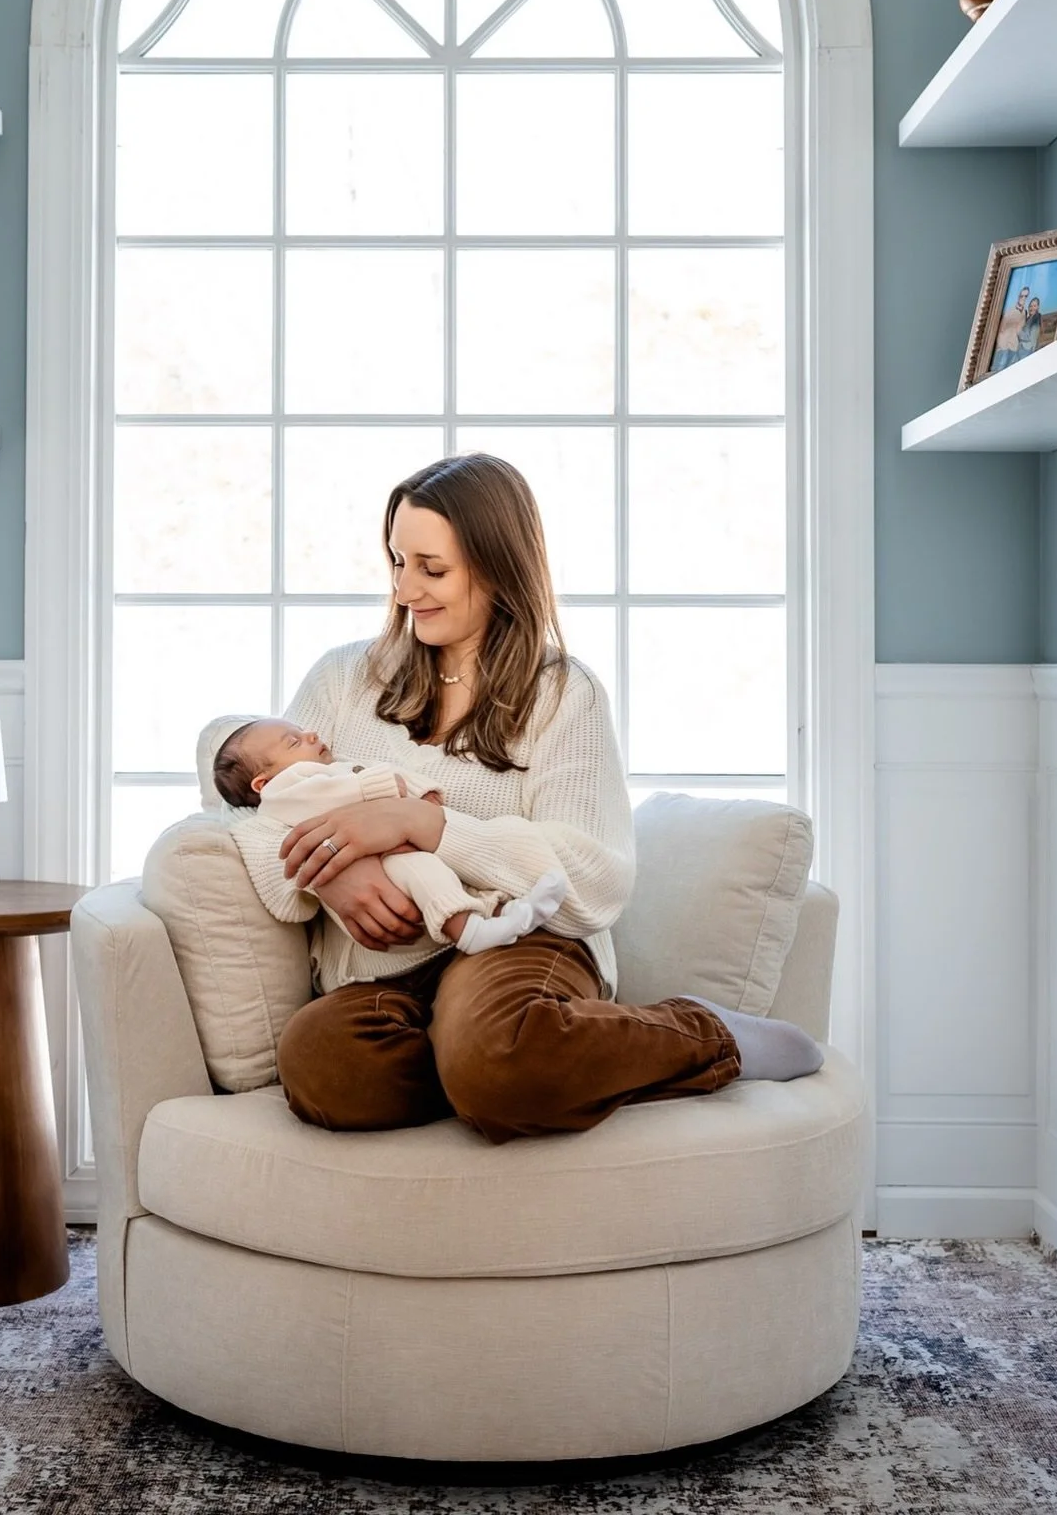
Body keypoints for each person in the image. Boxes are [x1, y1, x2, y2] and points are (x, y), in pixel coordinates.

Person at [251, 453, 821, 1145]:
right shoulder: (344, 678)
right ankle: (500, 1065)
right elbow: (254, 807)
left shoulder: (562, 694)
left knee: (495, 1056)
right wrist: (334, 869)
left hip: (518, 940)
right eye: (397, 562)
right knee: (323, 1066)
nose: (405, 591)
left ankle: (706, 1034)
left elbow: (592, 880)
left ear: (496, 566)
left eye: (432, 569)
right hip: (389, 968)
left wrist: (426, 825)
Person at [205, 713, 569, 982]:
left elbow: (377, 790)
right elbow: (353, 788)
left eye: (301, 732)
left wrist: (417, 804)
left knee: (435, 871)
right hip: (381, 879)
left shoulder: (326, 770)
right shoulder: (287, 790)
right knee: (423, 872)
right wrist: (388, 794)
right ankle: (473, 930)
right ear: (262, 783)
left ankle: (497, 914)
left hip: (391, 856)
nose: (312, 733)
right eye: (294, 741)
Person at [992, 287, 1028, 371]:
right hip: (1005, 347)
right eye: (1021, 296)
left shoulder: (1024, 313)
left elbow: (1020, 330)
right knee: (999, 370)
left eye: (1025, 296)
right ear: (1018, 296)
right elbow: (1001, 329)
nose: (1023, 298)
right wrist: (1001, 345)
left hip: (1014, 347)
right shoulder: (1009, 311)